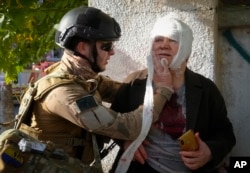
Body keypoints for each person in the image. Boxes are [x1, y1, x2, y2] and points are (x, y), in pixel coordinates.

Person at [14, 6, 174, 172]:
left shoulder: (81, 78)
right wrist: (163, 90)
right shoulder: (64, 94)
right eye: (106, 46)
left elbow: (124, 93)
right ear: (83, 48)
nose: (112, 52)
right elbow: (129, 127)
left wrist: (154, 81)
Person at [110, 16, 236, 173]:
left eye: (173, 40)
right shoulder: (134, 83)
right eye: (158, 39)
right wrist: (126, 142)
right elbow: (112, 124)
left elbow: (226, 133)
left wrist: (209, 152)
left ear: (185, 47)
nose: (164, 45)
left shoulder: (206, 89)